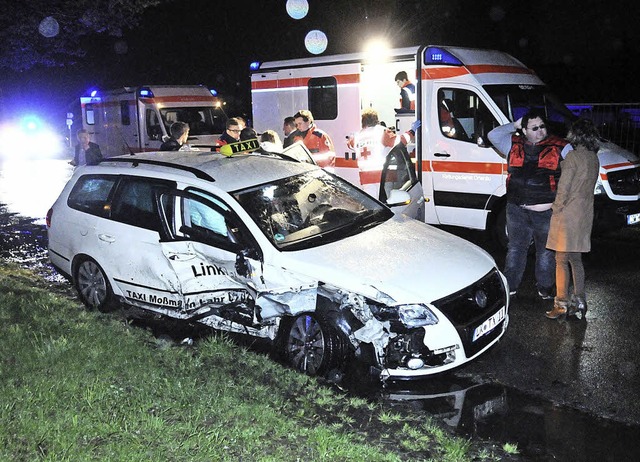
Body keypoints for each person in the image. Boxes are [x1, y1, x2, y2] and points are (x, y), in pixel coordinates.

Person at [488, 108, 573, 300]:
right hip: (516, 209)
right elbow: (492, 135)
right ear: (524, 130)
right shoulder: (512, 142)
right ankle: (510, 286)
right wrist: (514, 125)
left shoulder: (561, 146)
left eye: (542, 126)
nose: (540, 131)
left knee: (545, 251)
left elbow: (576, 172)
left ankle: (545, 288)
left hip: (546, 213)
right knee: (516, 248)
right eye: (534, 128)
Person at [544, 119, 601, 319]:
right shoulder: (594, 158)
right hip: (585, 214)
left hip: (568, 215)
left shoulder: (572, 158)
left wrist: (555, 209)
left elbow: (563, 189)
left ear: (576, 135)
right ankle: (580, 300)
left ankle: (561, 304)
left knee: (560, 260)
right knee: (576, 259)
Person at [347, 108, 420, 196]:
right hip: (382, 176)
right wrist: (412, 131)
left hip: (366, 178)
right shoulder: (381, 132)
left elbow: (350, 144)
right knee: (386, 203)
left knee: (371, 203)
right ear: (376, 120)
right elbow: (401, 141)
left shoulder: (357, 136)